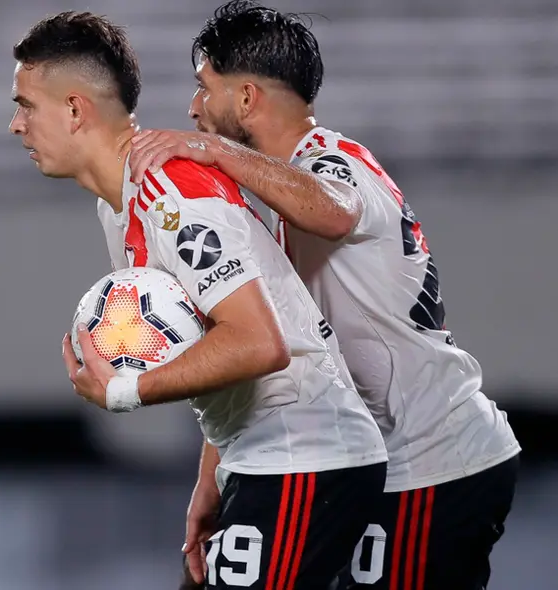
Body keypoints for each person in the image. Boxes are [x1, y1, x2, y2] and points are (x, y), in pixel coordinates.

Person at [127, 2, 521, 589]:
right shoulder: (280, 192)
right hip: (380, 464)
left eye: (204, 87)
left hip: (432, 460)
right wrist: (212, 478)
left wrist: (216, 152)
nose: (193, 108)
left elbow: (335, 212)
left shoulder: (334, 161)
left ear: (246, 98)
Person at [9, 11, 387, 589]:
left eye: (26, 105)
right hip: (263, 460)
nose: (16, 124)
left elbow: (259, 343)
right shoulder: (121, 203)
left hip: (304, 458)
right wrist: (211, 479)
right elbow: (212, 335)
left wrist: (126, 391)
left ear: (75, 110)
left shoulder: (171, 191)